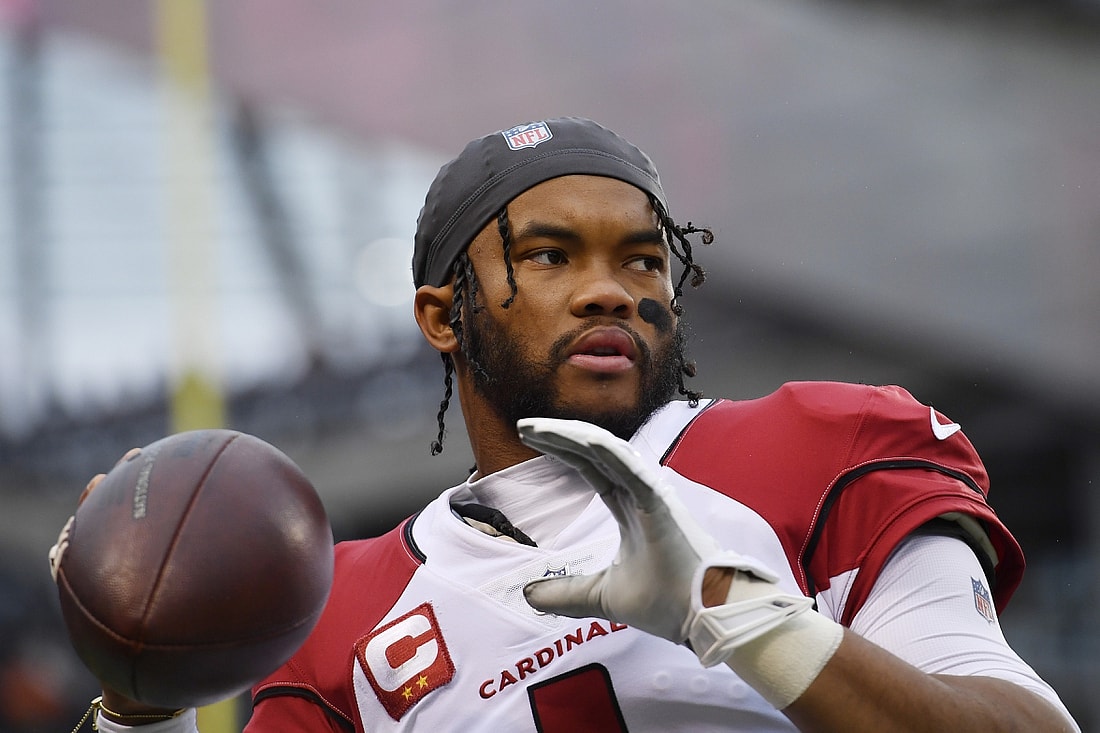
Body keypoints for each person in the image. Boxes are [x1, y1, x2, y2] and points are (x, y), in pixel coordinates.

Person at [63, 117, 1079, 731]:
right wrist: (139, 707)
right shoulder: (337, 615)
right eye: (549, 256)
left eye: (641, 259)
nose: (610, 291)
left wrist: (741, 613)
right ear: (440, 315)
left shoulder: (820, 448)